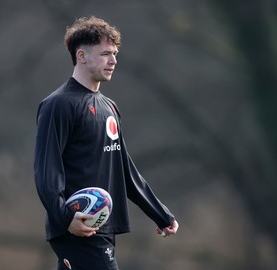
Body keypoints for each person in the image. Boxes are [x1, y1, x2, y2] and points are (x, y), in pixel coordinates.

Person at [34, 16, 179, 270]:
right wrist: (66, 217)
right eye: (105, 54)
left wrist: (160, 214)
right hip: (78, 227)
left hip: (102, 227)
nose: (113, 61)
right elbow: (47, 171)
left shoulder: (109, 107)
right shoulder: (59, 105)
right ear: (81, 56)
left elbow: (124, 169)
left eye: (114, 54)